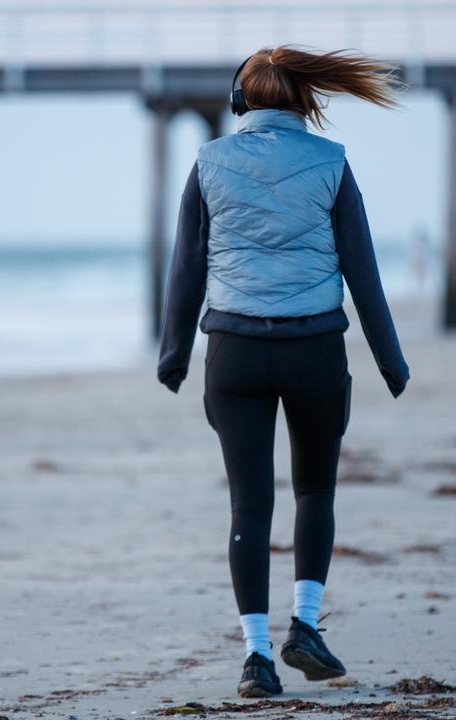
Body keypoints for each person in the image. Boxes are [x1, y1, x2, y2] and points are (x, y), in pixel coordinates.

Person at [156, 46, 410, 699]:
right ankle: (305, 624)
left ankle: (257, 659)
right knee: (314, 493)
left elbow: (186, 267)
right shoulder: (331, 162)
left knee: (249, 501)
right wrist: (390, 358)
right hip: (315, 349)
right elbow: (363, 272)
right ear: (305, 101)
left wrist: (174, 354)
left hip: (234, 352)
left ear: (240, 102)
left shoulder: (209, 161)